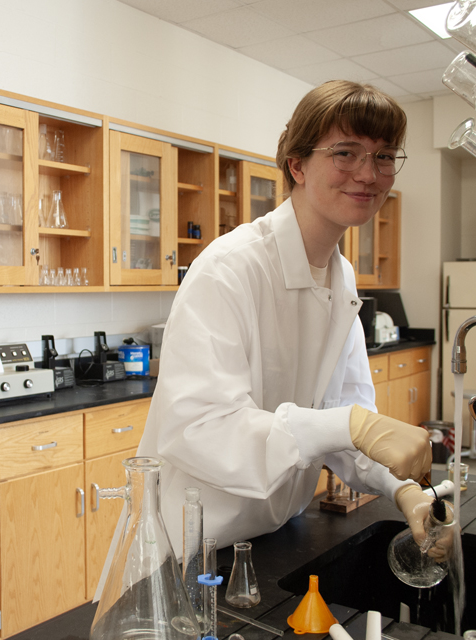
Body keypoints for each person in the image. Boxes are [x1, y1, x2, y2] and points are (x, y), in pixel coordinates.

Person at [137, 79, 442, 557]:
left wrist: (404, 488)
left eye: (384, 156)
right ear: (297, 165)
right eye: (346, 153)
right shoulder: (230, 268)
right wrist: (350, 425)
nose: (368, 173)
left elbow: (343, 419)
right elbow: (198, 429)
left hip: (273, 537)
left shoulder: (340, 277)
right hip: (190, 547)